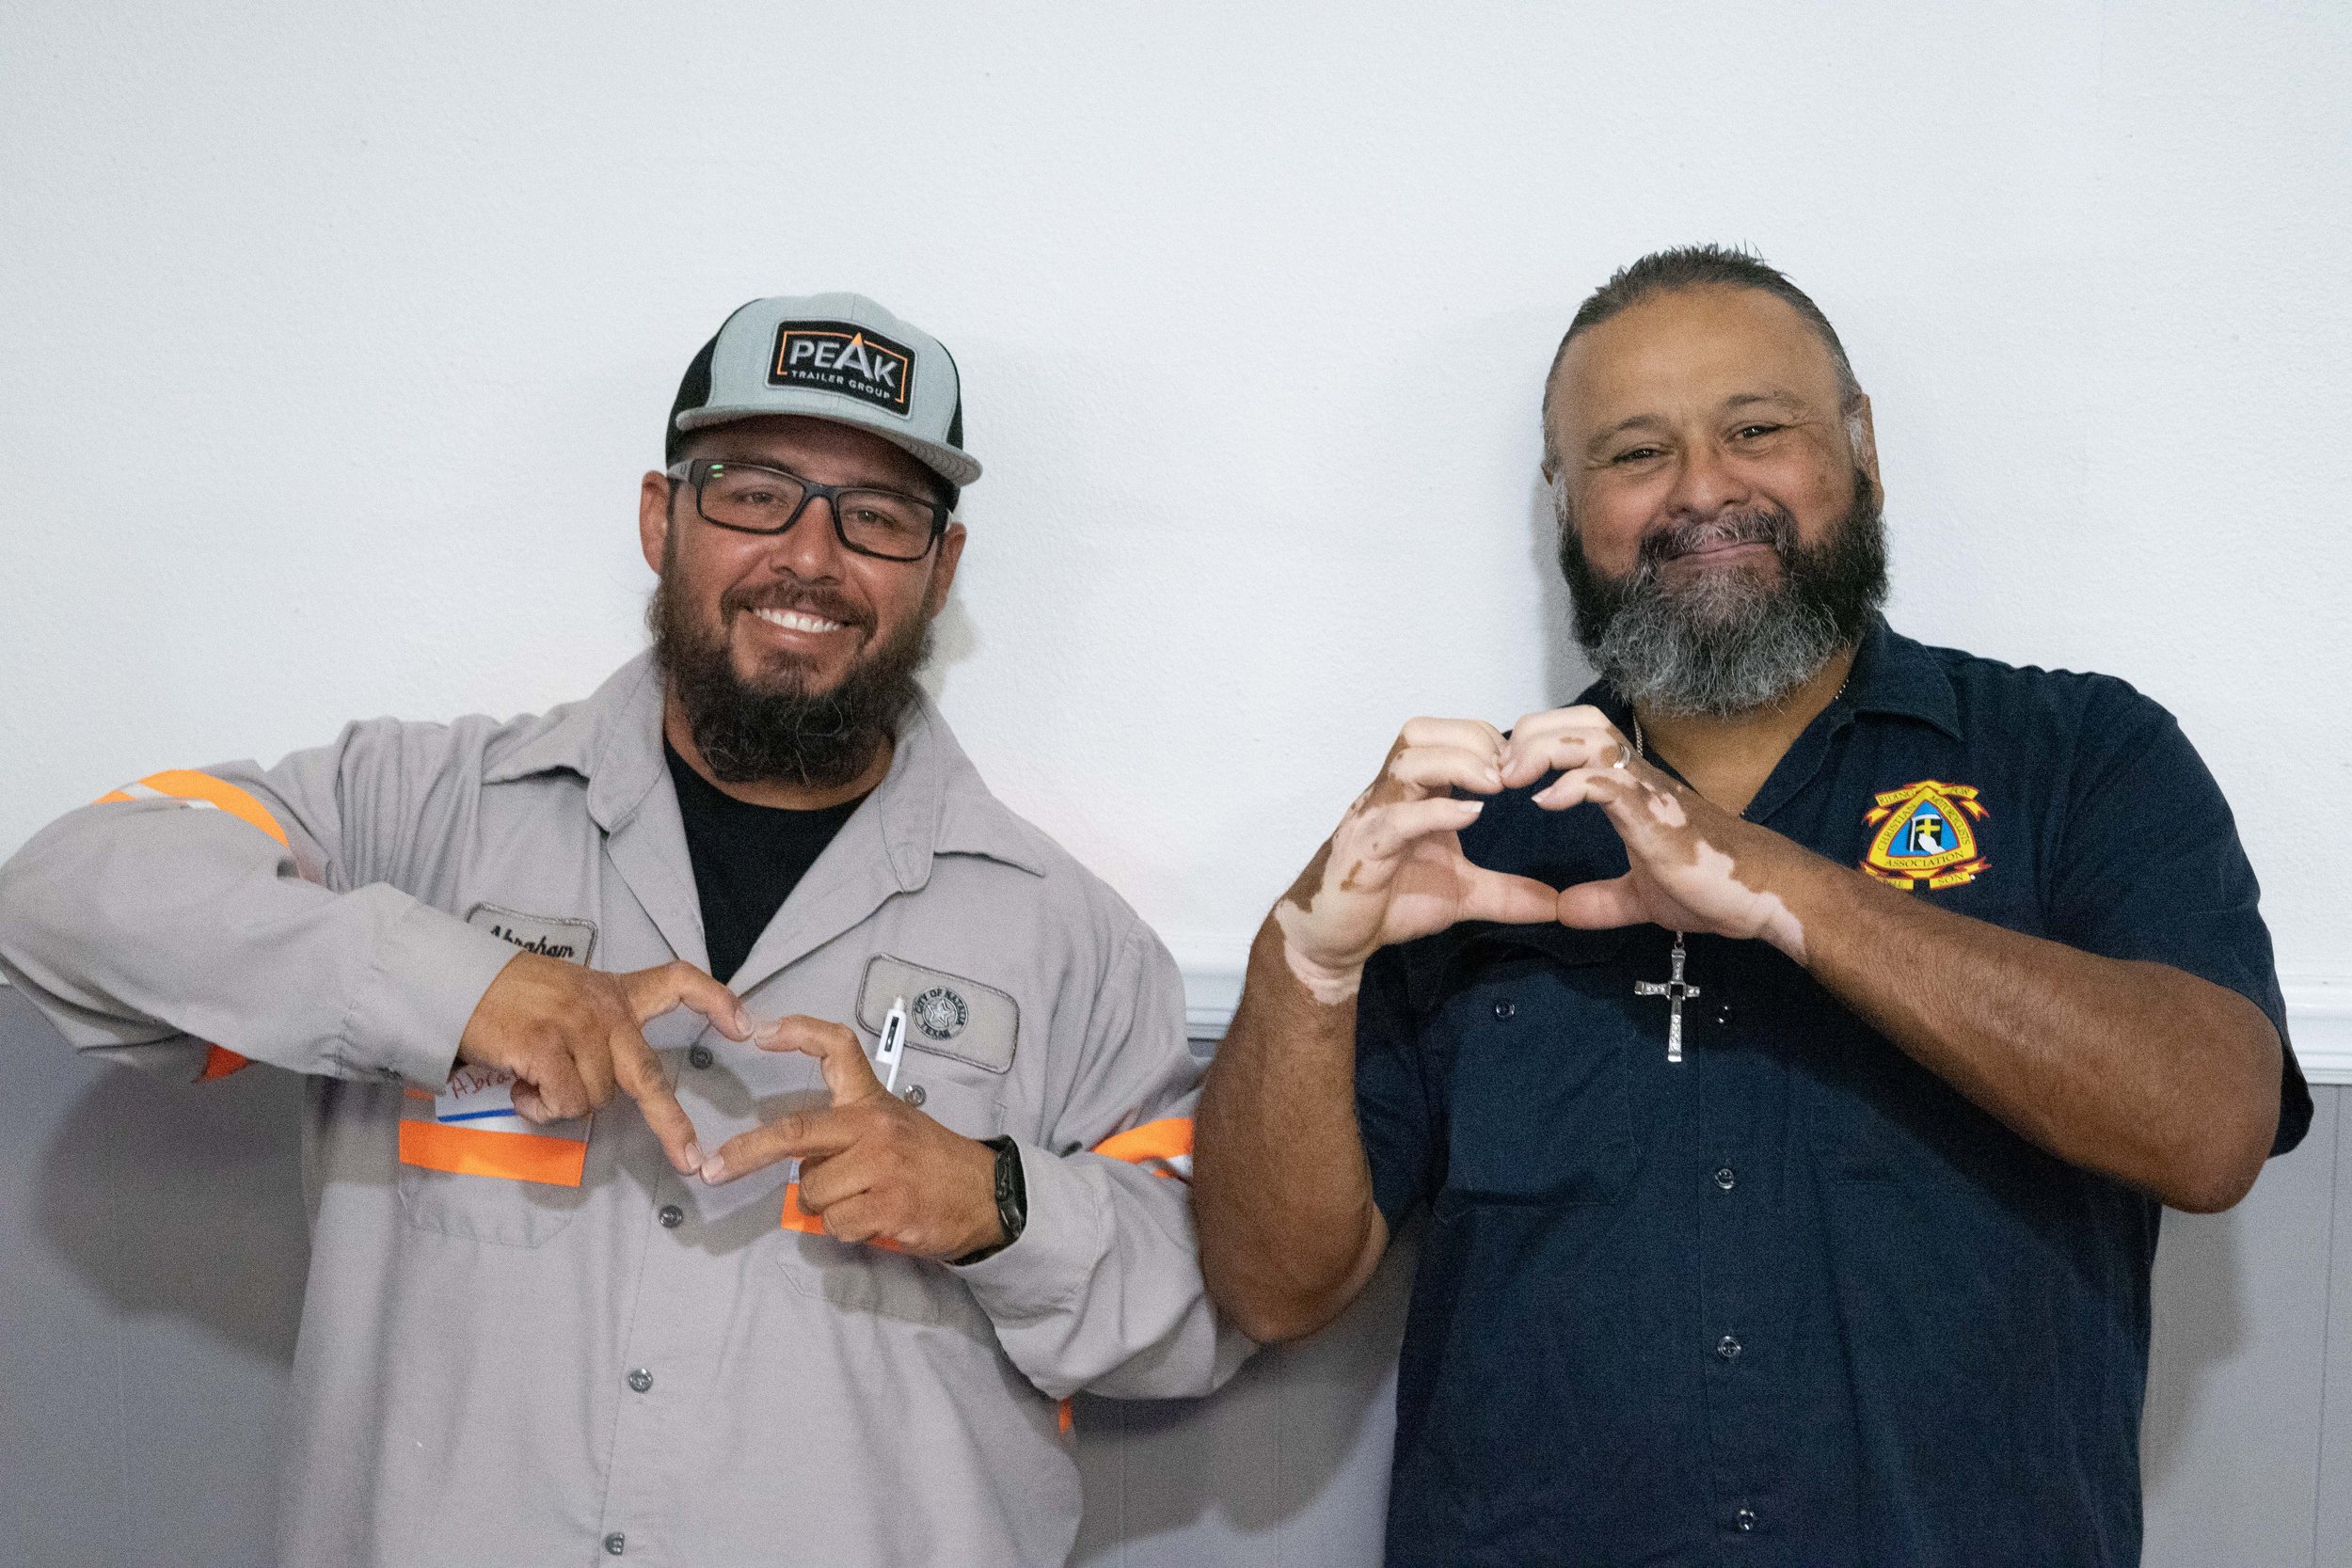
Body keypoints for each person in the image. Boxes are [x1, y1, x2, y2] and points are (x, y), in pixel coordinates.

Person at [0, 293, 1247, 1567]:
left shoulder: (1077, 942)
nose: (810, 558)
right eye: (754, 492)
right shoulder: (421, 814)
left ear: (942, 567)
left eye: (876, 517)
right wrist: (456, 988)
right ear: (663, 519)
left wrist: (999, 1203)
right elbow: (59, 895)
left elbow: (1208, 1308)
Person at [1192, 245, 2311, 1567]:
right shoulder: (1468, 834)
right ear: (1566, 505)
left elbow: (2211, 1125)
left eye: (1757, 431)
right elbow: (1276, 1285)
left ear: (1862, 448)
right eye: (1633, 454)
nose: (1703, 489)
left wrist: (1768, 887)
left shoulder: (2082, 756)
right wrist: (1302, 965)